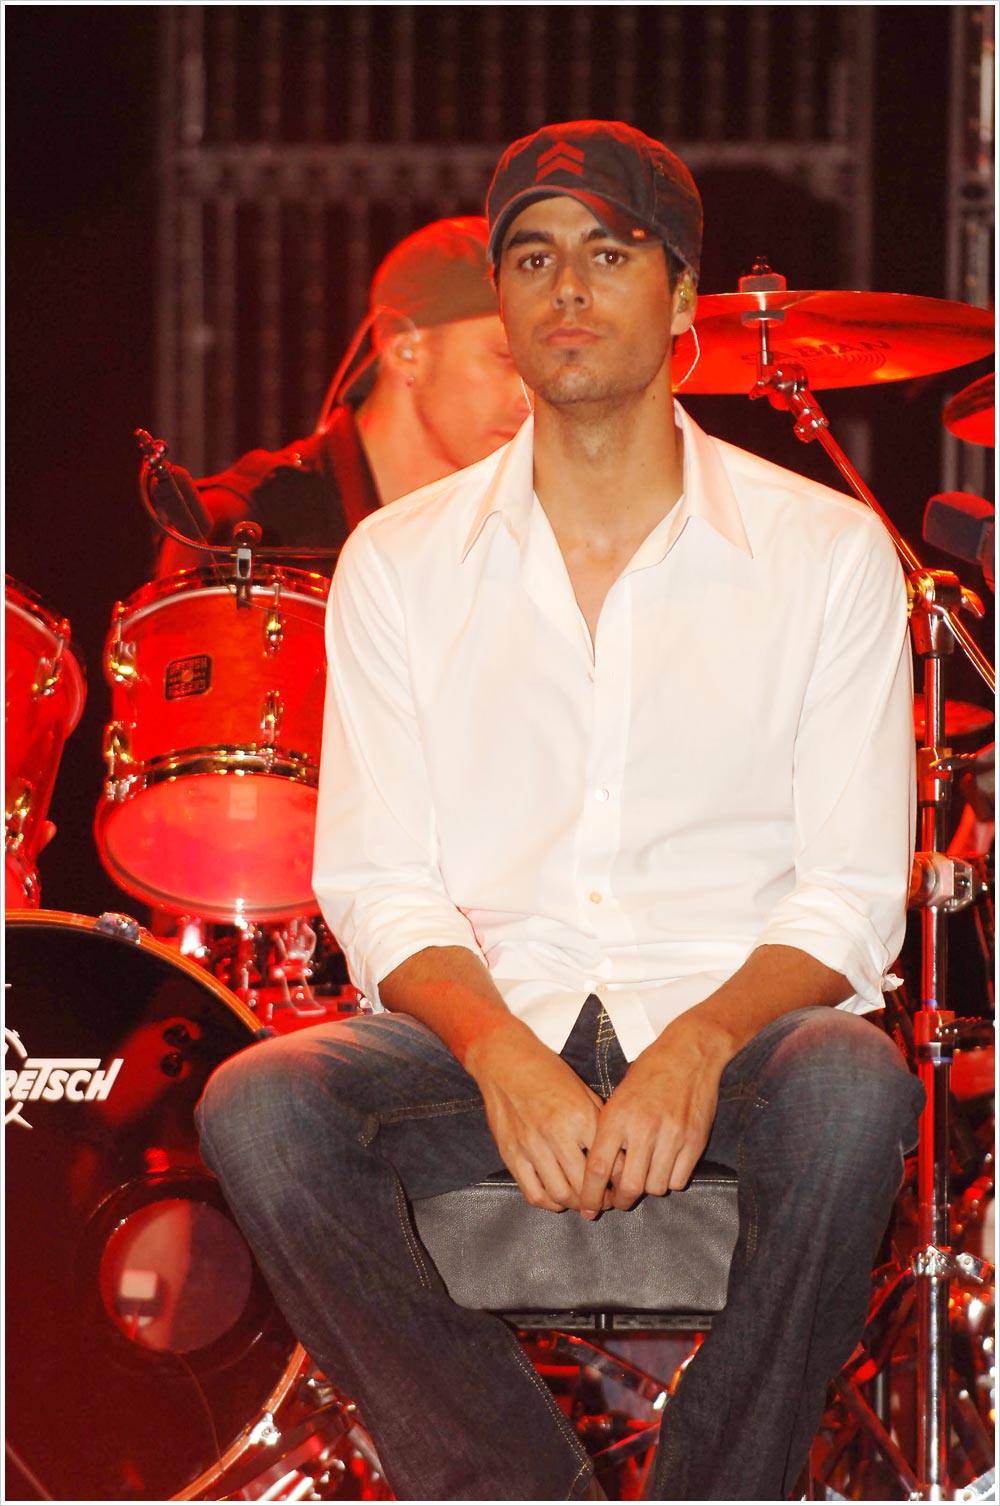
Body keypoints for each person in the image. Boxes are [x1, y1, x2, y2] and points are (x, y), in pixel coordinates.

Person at [196, 120, 925, 1501]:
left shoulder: (824, 552)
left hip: (733, 1043)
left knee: (852, 1080)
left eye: (610, 252)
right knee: (260, 1105)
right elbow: (377, 881)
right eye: (532, 259)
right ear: (505, 299)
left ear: (684, 297)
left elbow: (847, 897)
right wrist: (500, 1052)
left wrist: (700, 1040)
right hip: (489, 1031)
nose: (568, 287)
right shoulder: (399, 562)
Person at [155, 215, 529, 576]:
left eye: (543, 369)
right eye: (507, 358)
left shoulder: (529, 529)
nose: (532, 398)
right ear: (406, 350)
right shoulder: (243, 528)